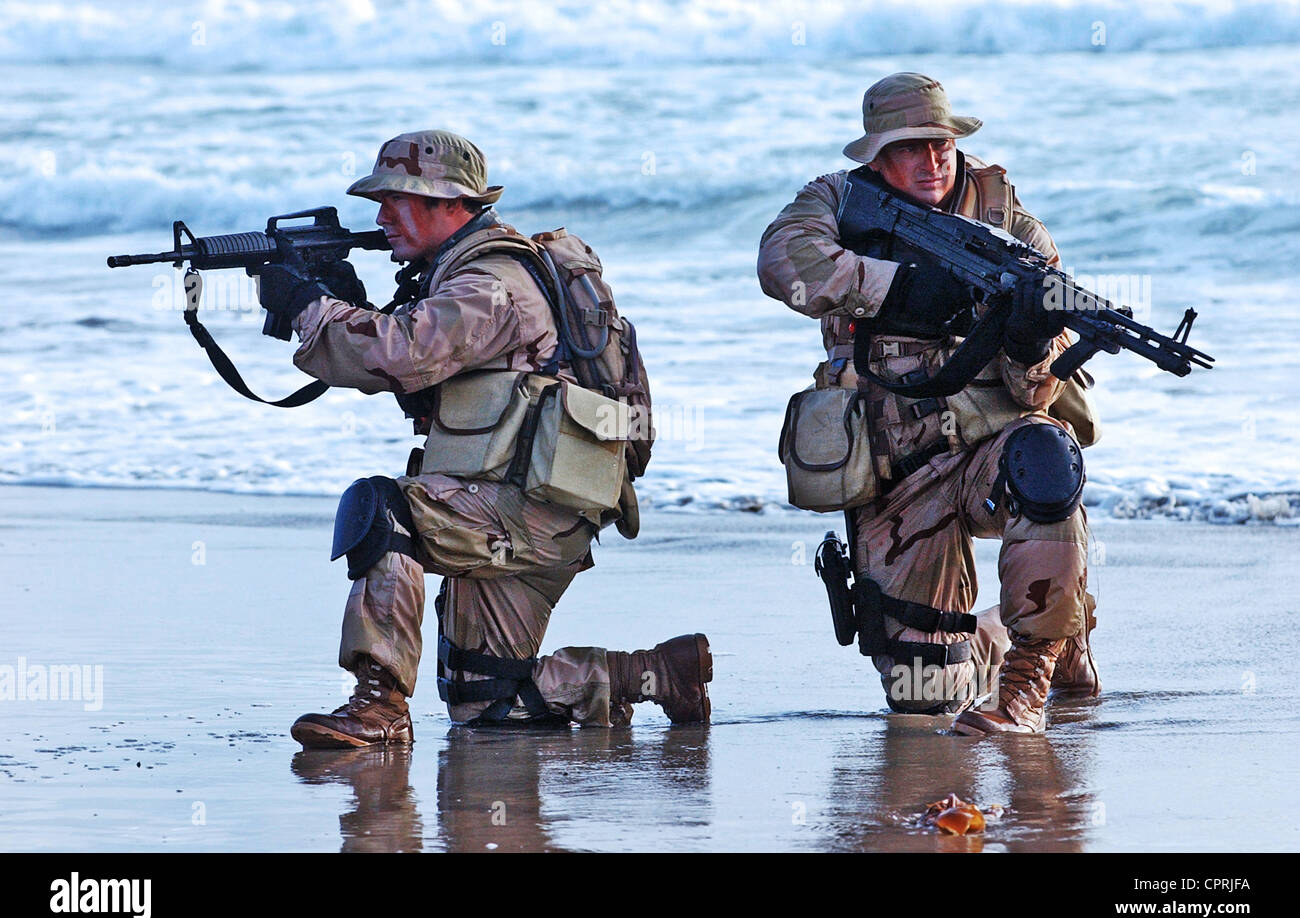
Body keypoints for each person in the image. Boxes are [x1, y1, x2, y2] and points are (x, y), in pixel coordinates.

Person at [252, 130, 712, 747]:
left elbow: (404, 353)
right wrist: (341, 303)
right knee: (488, 701)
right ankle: (657, 674)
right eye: (379, 201)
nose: (383, 215)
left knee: (383, 509)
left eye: (398, 198)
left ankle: (378, 705)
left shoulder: (490, 282)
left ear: (451, 203)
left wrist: (311, 306)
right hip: (541, 505)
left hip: (522, 513)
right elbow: (418, 371)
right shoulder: (463, 273)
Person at [757, 74, 1100, 735]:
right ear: (877, 156)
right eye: (910, 147)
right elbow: (783, 263)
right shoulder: (837, 199)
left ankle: (1034, 670)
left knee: (1045, 457)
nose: (931, 161)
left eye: (940, 144)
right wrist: (903, 289)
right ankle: (1044, 622)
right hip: (894, 464)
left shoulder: (1009, 226)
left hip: (990, 450)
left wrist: (1029, 339)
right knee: (924, 694)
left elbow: (1040, 390)